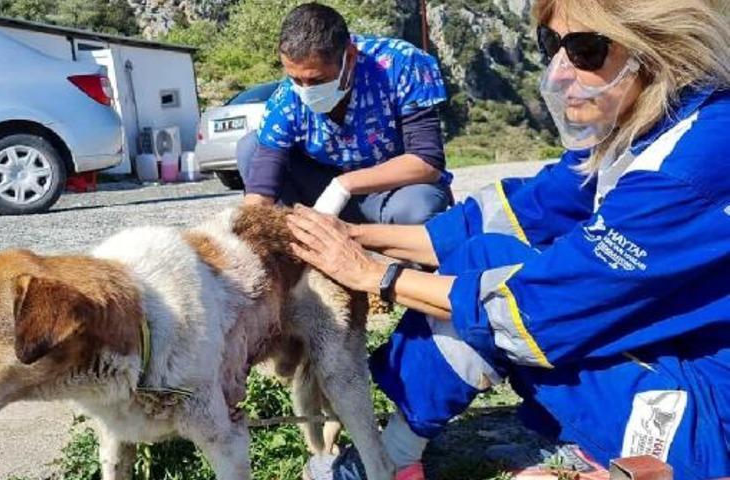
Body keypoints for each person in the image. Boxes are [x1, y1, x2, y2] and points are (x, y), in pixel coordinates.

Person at [286, 0, 730, 479]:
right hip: (675, 363)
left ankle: (388, 461)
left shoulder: (687, 169)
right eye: (551, 45)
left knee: (491, 292)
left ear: (657, 48)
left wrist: (375, 275)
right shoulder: (654, 123)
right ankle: (398, 450)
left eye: (585, 49)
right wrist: (355, 235)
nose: (560, 72)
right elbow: (514, 215)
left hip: (703, 419)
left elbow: (540, 310)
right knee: (483, 256)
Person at [236, 3, 453, 225]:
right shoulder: (286, 98)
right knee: (250, 147)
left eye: (317, 80)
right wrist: (246, 226)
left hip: (390, 191)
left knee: (420, 207)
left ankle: (393, 243)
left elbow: (427, 161)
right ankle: (297, 244)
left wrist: (343, 186)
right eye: (295, 79)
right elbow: (261, 190)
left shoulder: (402, 65)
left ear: (349, 58)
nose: (305, 90)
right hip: (320, 197)